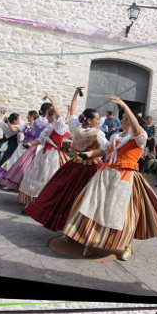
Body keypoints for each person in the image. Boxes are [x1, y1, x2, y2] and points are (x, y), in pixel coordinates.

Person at [62, 95, 157, 261]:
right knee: (94, 206)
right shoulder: (115, 136)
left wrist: (124, 106)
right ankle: (92, 241)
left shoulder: (140, 137)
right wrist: (88, 154)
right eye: (123, 117)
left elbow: (136, 128)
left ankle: (126, 245)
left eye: (127, 118)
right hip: (106, 173)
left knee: (121, 213)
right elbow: (105, 151)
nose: (123, 120)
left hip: (125, 177)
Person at [25, 88, 109, 231]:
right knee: (87, 195)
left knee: (64, 192)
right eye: (97, 118)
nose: (99, 120)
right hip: (91, 166)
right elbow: (108, 148)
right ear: (89, 120)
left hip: (74, 164)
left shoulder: (75, 126)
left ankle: (65, 222)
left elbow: (73, 110)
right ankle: (80, 226)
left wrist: (75, 94)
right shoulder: (98, 133)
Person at [18, 95, 68, 207]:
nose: (47, 118)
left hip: (53, 156)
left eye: (49, 116)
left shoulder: (59, 126)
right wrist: (29, 145)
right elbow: (39, 140)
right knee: (36, 175)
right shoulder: (48, 127)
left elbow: (59, 115)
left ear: (52, 116)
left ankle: (43, 203)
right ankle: (32, 202)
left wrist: (51, 99)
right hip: (43, 154)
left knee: (47, 177)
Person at [0, 103, 51, 190]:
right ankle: (9, 183)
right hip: (22, 147)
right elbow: (13, 129)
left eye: (28, 116)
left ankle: (19, 185)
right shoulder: (27, 125)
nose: (27, 117)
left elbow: (42, 137)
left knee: (24, 167)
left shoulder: (42, 125)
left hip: (31, 148)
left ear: (32, 117)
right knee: (13, 164)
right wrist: (8, 122)